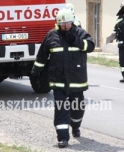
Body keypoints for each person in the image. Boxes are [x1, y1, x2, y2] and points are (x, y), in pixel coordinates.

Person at [31, 8, 95, 148]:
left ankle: (75, 126)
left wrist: (76, 40)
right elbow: (42, 56)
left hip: (76, 81)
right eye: (63, 24)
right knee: (61, 109)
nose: (66, 26)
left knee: (77, 108)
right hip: (58, 81)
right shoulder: (51, 36)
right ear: (58, 24)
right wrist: (35, 73)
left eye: (68, 23)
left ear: (72, 22)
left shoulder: (80, 33)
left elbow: (90, 46)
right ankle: (63, 138)